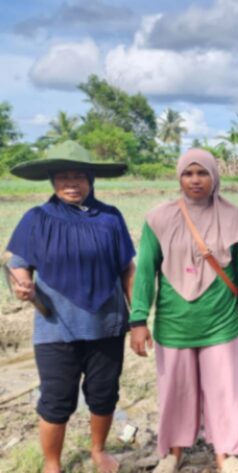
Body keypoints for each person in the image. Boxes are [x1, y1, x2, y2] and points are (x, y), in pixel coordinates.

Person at [129, 149, 238, 473]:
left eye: (202, 173)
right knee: (175, 390)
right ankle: (173, 453)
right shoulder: (158, 219)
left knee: (225, 390)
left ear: (214, 177)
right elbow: (145, 272)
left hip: (220, 323)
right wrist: (138, 320)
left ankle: (226, 455)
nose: (195, 180)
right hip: (174, 324)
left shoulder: (234, 218)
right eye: (188, 174)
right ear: (179, 177)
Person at [5, 141, 135, 473]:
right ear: (52, 180)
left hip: (106, 323)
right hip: (55, 326)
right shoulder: (37, 219)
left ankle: (98, 450)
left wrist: (139, 318)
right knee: (56, 400)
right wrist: (21, 285)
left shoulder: (110, 218)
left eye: (79, 176)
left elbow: (127, 269)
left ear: (91, 179)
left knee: (104, 394)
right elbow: (18, 264)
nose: (71, 183)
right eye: (63, 177)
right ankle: (52, 463)